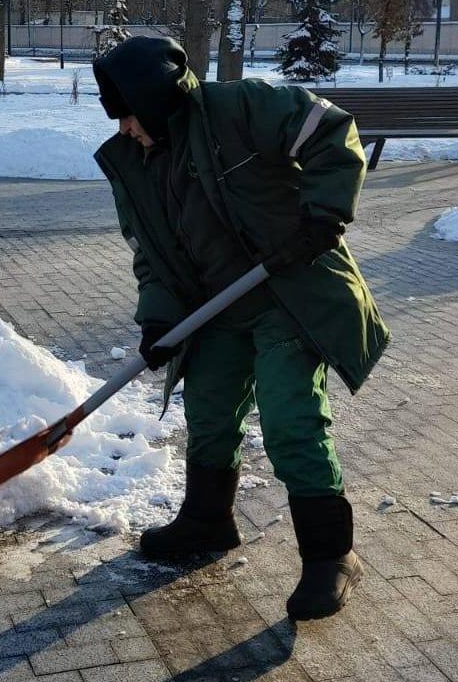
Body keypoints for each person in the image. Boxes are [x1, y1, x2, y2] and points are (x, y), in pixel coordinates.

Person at [92, 36, 389, 621]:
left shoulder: (239, 108)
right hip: (217, 307)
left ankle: (332, 555)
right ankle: (208, 520)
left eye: (128, 112)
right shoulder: (135, 164)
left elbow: (331, 130)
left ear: (153, 99)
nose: (124, 127)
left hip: (289, 291)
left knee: (289, 419)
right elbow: (149, 256)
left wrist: (322, 214)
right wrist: (158, 319)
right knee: (207, 412)